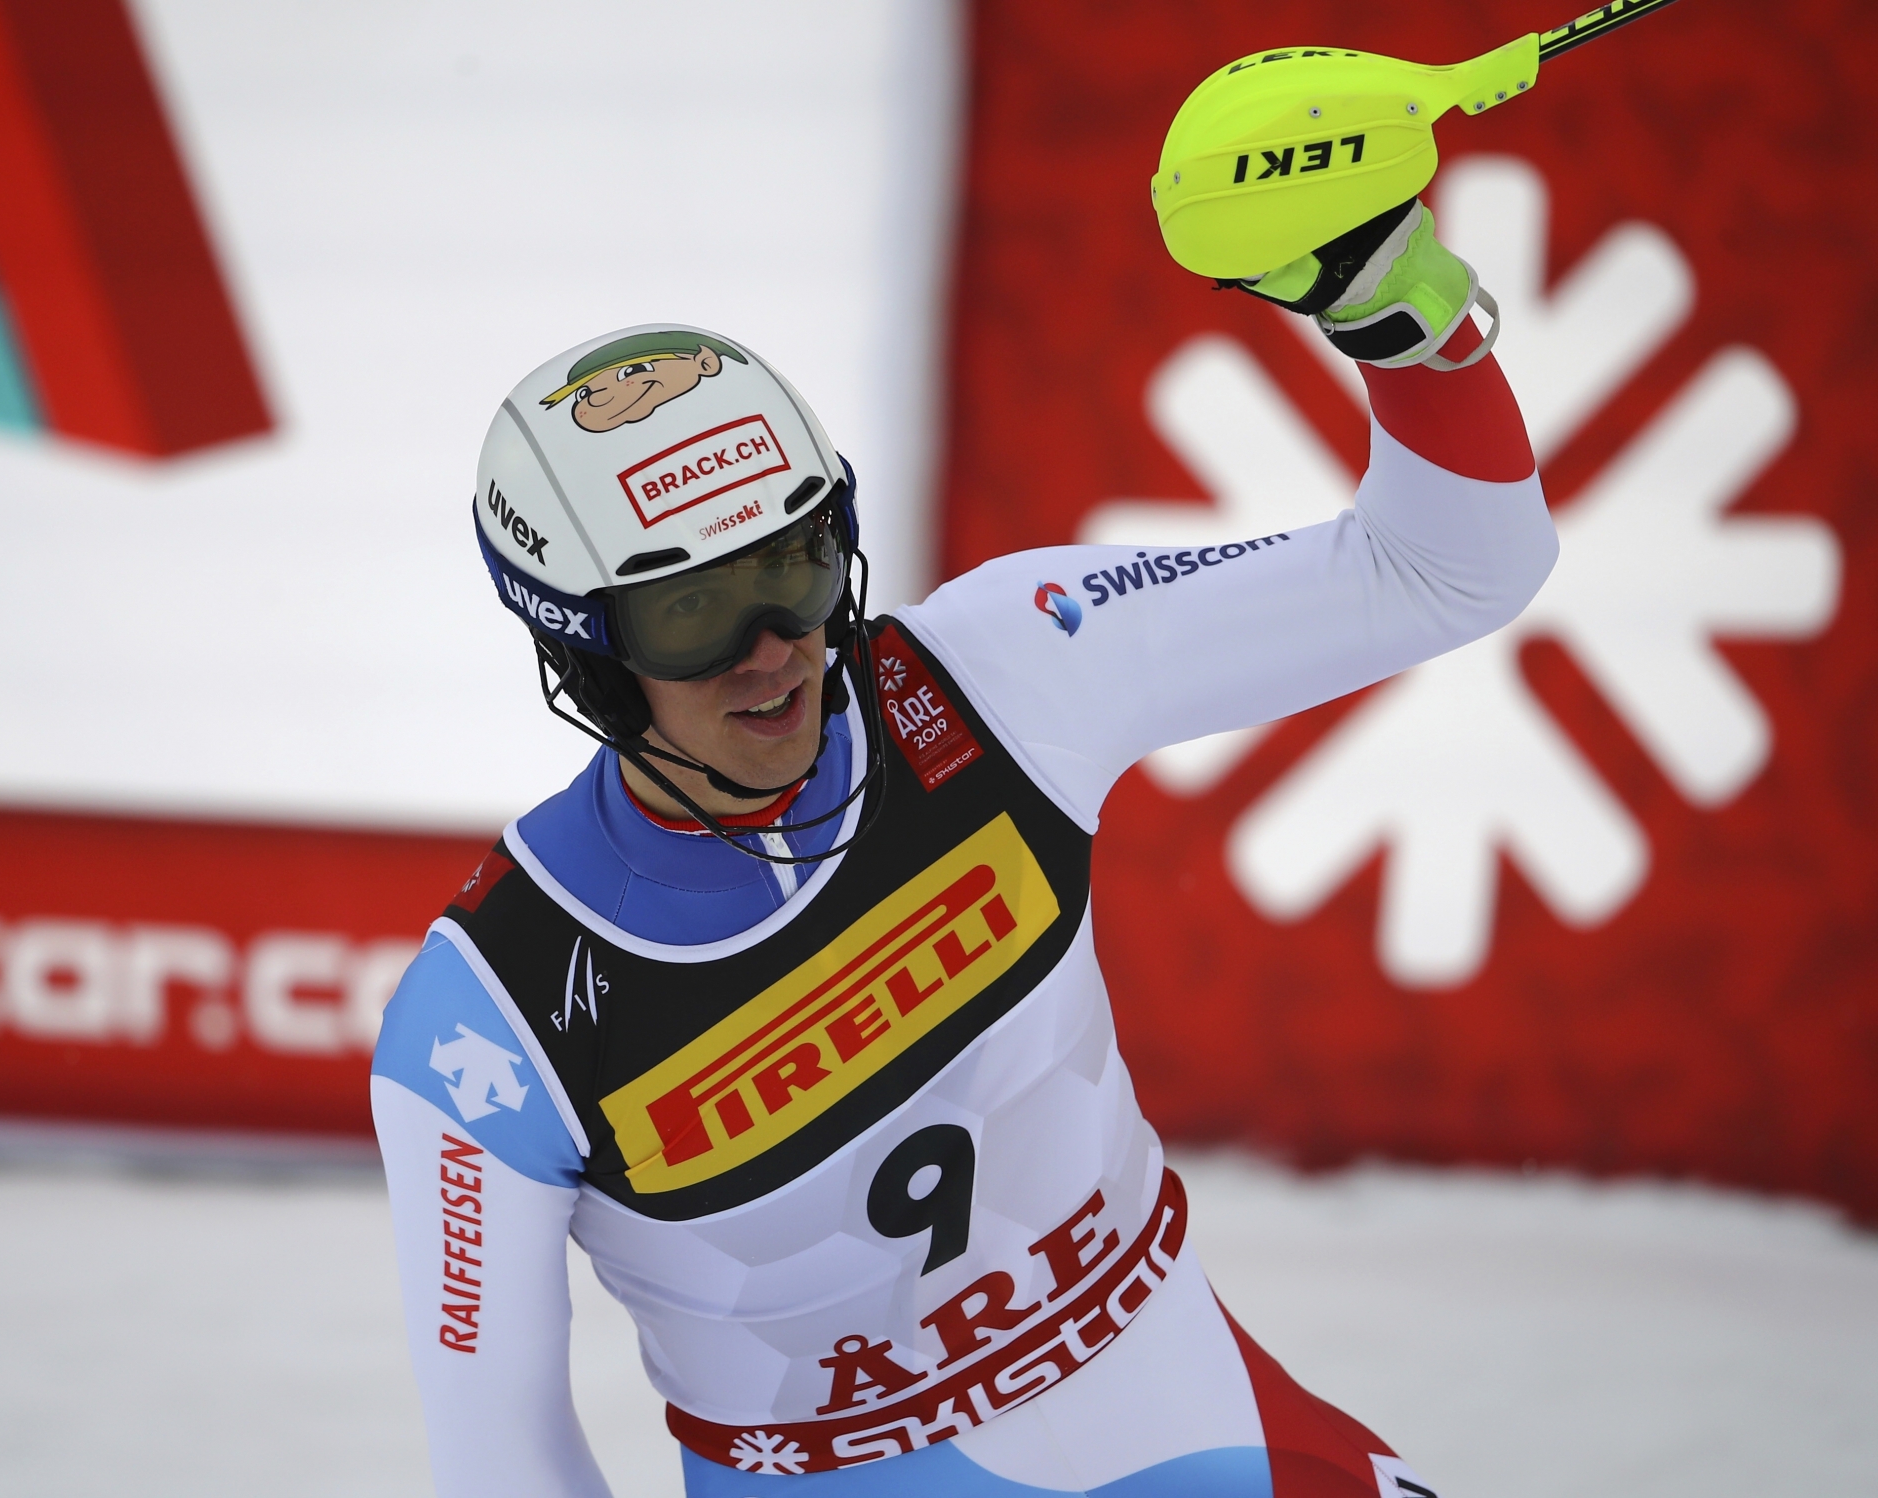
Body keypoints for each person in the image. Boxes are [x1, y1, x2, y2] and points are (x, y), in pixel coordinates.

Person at [371, 194, 1555, 1496]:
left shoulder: (1000, 672)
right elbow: (505, 1462)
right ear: (583, 648)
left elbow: (1452, 570)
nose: (774, 649)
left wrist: (1391, 308)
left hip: (1167, 1395)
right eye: (694, 610)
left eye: (798, 563)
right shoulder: (483, 1027)